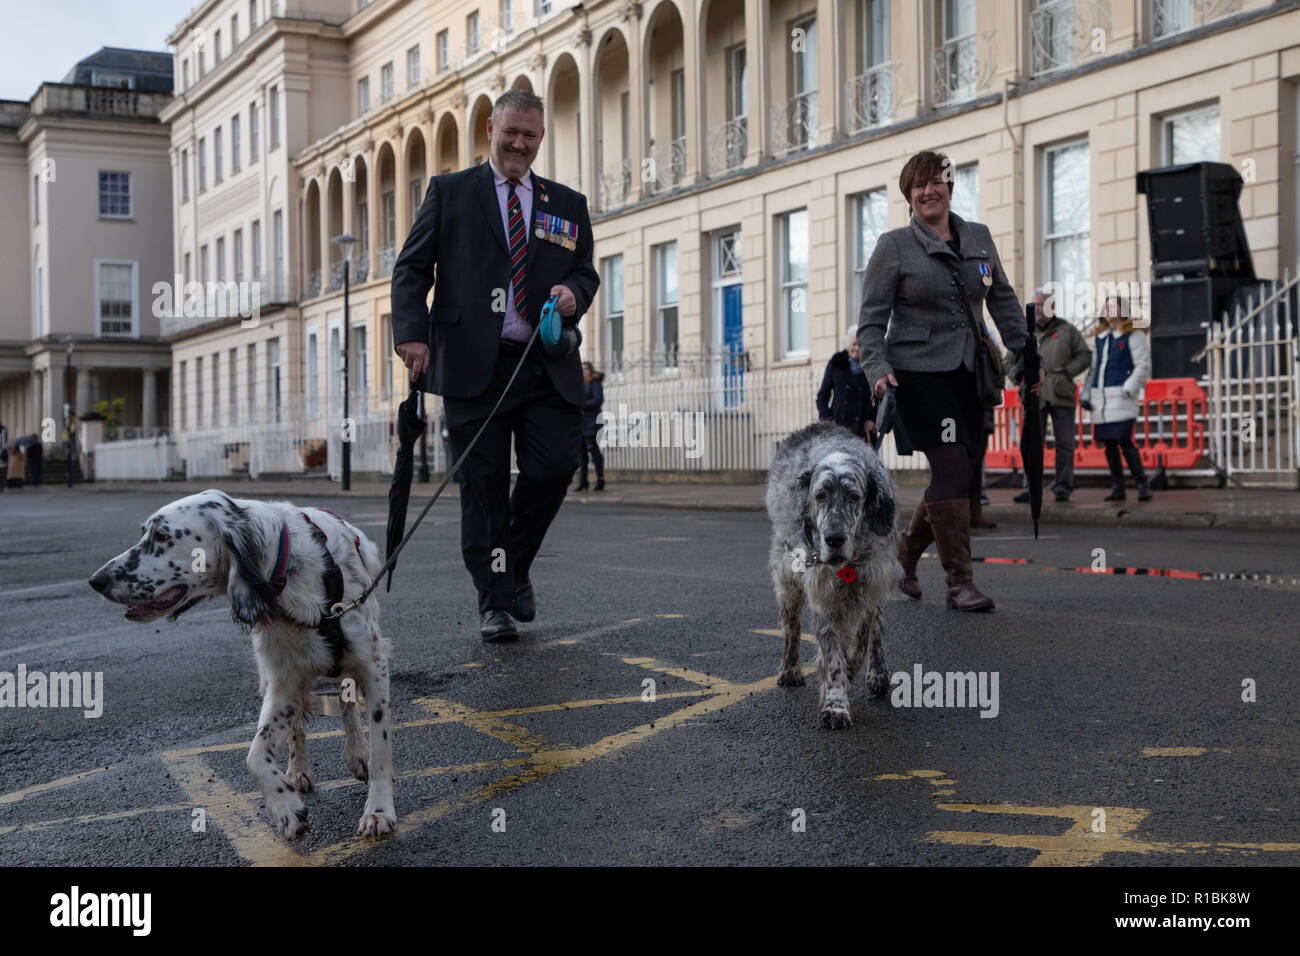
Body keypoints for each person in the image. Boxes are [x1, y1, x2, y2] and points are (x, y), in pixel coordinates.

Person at [391, 88, 600, 642]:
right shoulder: (451, 192)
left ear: (540, 139)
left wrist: (575, 293)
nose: (519, 143)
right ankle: (495, 600)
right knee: (482, 488)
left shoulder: (567, 204)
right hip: (470, 364)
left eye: (530, 135)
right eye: (511, 131)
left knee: (554, 467)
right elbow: (412, 269)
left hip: (541, 363)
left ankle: (516, 568)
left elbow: (586, 270)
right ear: (490, 128)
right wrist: (412, 335)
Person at [859, 150, 1042, 611]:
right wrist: (879, 373)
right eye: (918, 186)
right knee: (953, 468)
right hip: (919, 373)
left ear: (950, 187)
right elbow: (870, 324)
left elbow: (1002, 300)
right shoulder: (894, 246)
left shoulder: (977, 236)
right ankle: (960, 582)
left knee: (956, 470)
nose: (928, 191)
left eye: (936, 182)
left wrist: (1029, 357)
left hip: (971, 371)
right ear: (909, 196)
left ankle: (905, 551)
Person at [1014, 289, 1092, 504]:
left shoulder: (1067, 331)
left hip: (1061, 393)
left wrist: (1067, 372)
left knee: (1065, 443)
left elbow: (1085, 355)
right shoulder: (1024, 334)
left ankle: (1063, 487)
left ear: (1052, 307)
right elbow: (1008, 359)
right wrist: (1019, 376)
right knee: (1031, 443)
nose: (1037, 309)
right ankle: (1030, 488)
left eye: (1042, 305)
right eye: (1034, 305)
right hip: (1033, 395)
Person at [1080, 293, 1152, 502]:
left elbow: (1143, 365)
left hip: (1121, 397)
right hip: (1101, 400)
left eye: (1114, 307)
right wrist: (1086, 394)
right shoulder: (1100, 338)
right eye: (1107, 307)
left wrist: (1128, 388)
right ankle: (1118, 486)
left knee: (1124, 441)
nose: (1109, 311)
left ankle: (1141, 484)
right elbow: (1093, 370)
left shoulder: (1133, 335)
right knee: (1109, 444)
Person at [816, 324, 876, 442]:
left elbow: (879, 397)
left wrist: (872, 419)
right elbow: (822, 397)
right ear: (848, 345)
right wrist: (828, 423)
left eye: (860, 344)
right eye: (854, 344)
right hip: (839, 431)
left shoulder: (871, 366)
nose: (857, 348)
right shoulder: (837, 363)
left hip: (863, 432)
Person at [577, 361, 605, 491]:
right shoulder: (579, 383)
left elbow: (598, 400)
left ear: (590, 370)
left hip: (592, 422)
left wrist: (582, 404)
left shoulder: (595, 382)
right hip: (581, 422)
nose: (583, 371)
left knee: (593, 451)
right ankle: (583, 482)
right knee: (582, 454)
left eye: (586, 368)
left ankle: (600, 479)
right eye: (582, 368)